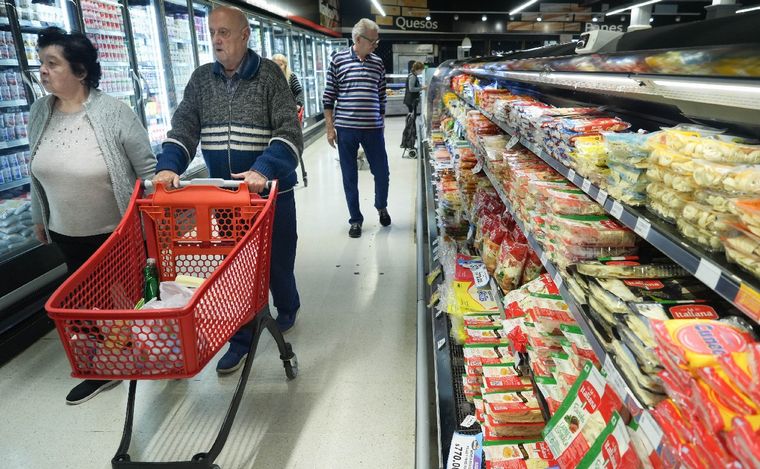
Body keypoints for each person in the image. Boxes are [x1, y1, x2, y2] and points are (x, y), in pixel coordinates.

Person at [151, 6, 302, 374]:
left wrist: (262, 169)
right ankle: (241, 338)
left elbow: (288, 132)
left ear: (245, 35)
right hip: (225, 200)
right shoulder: (202, 79)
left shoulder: (269, 77)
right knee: (238, 272)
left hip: (269, 198)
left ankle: (288, 304)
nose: (217, 40)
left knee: (278, 261)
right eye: (213, 33)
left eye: (225, 32)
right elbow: (184, 125)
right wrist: (169, 164)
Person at [28, 27, 156, 405]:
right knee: (86, 304)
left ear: (80, 71)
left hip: (113, 232)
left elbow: (148, 171)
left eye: (52, 64)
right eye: (41, 63)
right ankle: (110, 362)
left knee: (120, 301)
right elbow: (33, 170)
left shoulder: (114, 112)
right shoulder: (40, 112)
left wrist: (153, 224)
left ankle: (119, 363)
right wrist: (40, 216)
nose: (43, 71)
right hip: (65, 230)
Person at [323, 18, 390, 239]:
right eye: (373, 41)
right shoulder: (338, 60)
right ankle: (355, 220)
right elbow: (329, 96)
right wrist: (329, 128)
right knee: (349, 176)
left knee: (382, 173)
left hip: (373, 130)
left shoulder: (378, 63)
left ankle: (381, 206)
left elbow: (381, 96)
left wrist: (381, 123)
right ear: (359, 39)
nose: (375, 45)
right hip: (346, 130)